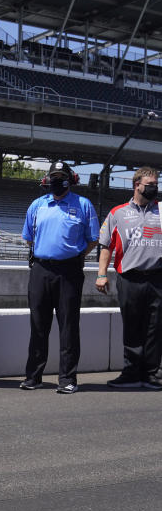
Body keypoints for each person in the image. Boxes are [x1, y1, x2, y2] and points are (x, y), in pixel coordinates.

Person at [20, 161, 99, 394]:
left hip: (69, 272)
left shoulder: (83, 205)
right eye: (53, 176)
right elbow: (28, 238)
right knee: (38, 325)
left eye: (60, 176)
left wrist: (73, 256)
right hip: (41, 270)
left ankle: (67, 379)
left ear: (70, 178)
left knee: (68, 327)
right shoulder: (37, 205)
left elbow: (92, 239)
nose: (56, 180)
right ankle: (33, 376)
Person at [96, 167, 162, 390]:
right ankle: (131, 373)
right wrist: (102, 275)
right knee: (132, 327)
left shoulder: (161, 210)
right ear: (137, 185)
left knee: (155, 328)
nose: (155, 188)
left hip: (157, 278)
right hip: (129, 278)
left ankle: (152, 374)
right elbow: (105, 246)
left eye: (157, 183)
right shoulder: (118, 213)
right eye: (150, 184)